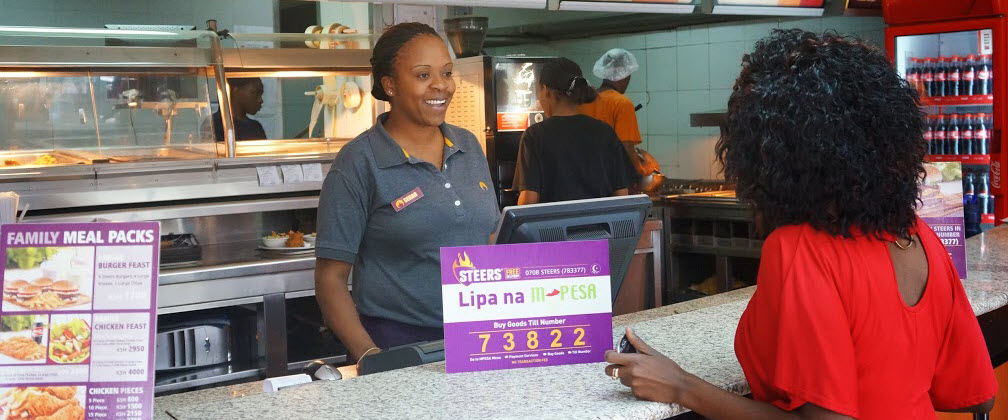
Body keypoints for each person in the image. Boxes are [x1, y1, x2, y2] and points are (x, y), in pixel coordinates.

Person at [604, 30, 997, 419]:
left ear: (774, 154)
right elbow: (978, 398)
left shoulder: (800, 248)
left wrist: (682, 386)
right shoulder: (918, 236)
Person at [314, 22, 499, 362]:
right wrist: (370, 357)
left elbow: (488, 241)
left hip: (480, 338)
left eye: (446, 73)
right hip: (399, 345)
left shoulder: (468, 145)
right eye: (423, 75)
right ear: (390, 85)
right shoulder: (359, 162)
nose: (441, 86)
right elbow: (331, 279)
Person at [513, 57, 632, 205]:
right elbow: (621, 195)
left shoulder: (535, 135)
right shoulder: (604, 132)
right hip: (599, 226)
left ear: (546, 90)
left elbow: (529, 201)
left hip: (553, 227)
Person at [578, 48, 654, 177]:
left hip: (584, 173)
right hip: (610, 177)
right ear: (623, 75)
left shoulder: (585, 100)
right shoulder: (621, 103)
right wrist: (641, 170)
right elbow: (626, 146)